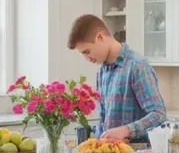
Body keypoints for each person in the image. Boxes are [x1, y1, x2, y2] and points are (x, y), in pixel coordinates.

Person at [67, 14, 167, 143]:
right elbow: (106, 124)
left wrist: (126, 131)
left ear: (100, 37)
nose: (87, 58)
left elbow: (159, 115)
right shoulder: (102, 71)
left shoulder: (137, 66)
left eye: (87, 52)